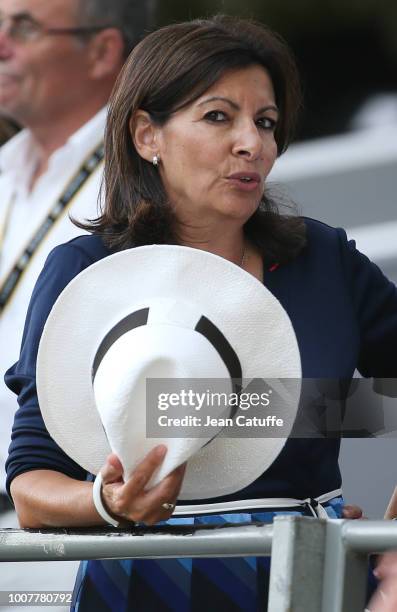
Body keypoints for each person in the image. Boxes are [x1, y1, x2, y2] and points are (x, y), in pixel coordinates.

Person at [5, 14, 395, 611]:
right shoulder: (84, 269)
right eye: (219, 116)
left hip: (309, 574)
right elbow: (32, 484)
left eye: (265, 122)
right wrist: (109, 504)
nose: (252, 143)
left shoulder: (326, 260)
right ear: (146, 136)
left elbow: (371, 404)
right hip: (143, 578)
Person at [0, 0, 155, 607]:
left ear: (102, 51)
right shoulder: (5, 169)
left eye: (25, 28)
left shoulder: (153, 172)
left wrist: (300, 471)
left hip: (83, 525)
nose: (2, 46)